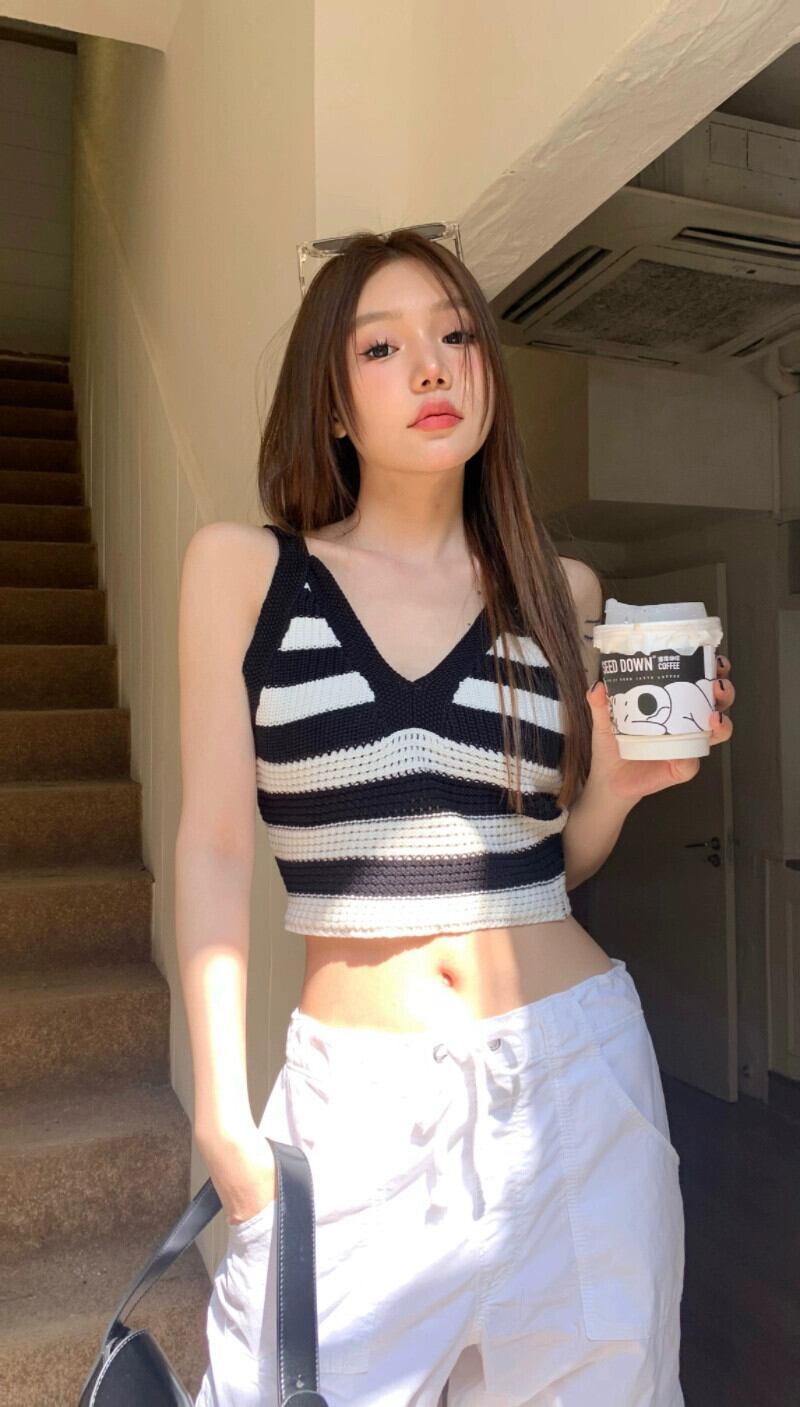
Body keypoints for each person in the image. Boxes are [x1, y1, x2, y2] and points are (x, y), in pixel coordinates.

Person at [177, 226, 735, 1407]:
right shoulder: (244, 573)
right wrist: (223, 1116)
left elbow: (543, 865)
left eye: (456, 335)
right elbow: (215, 847)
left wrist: (616, 786)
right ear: (332, 404)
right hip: (358, 1107)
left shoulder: (558, 593)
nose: (430, 367)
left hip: (574, 1076)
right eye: (381, 347)